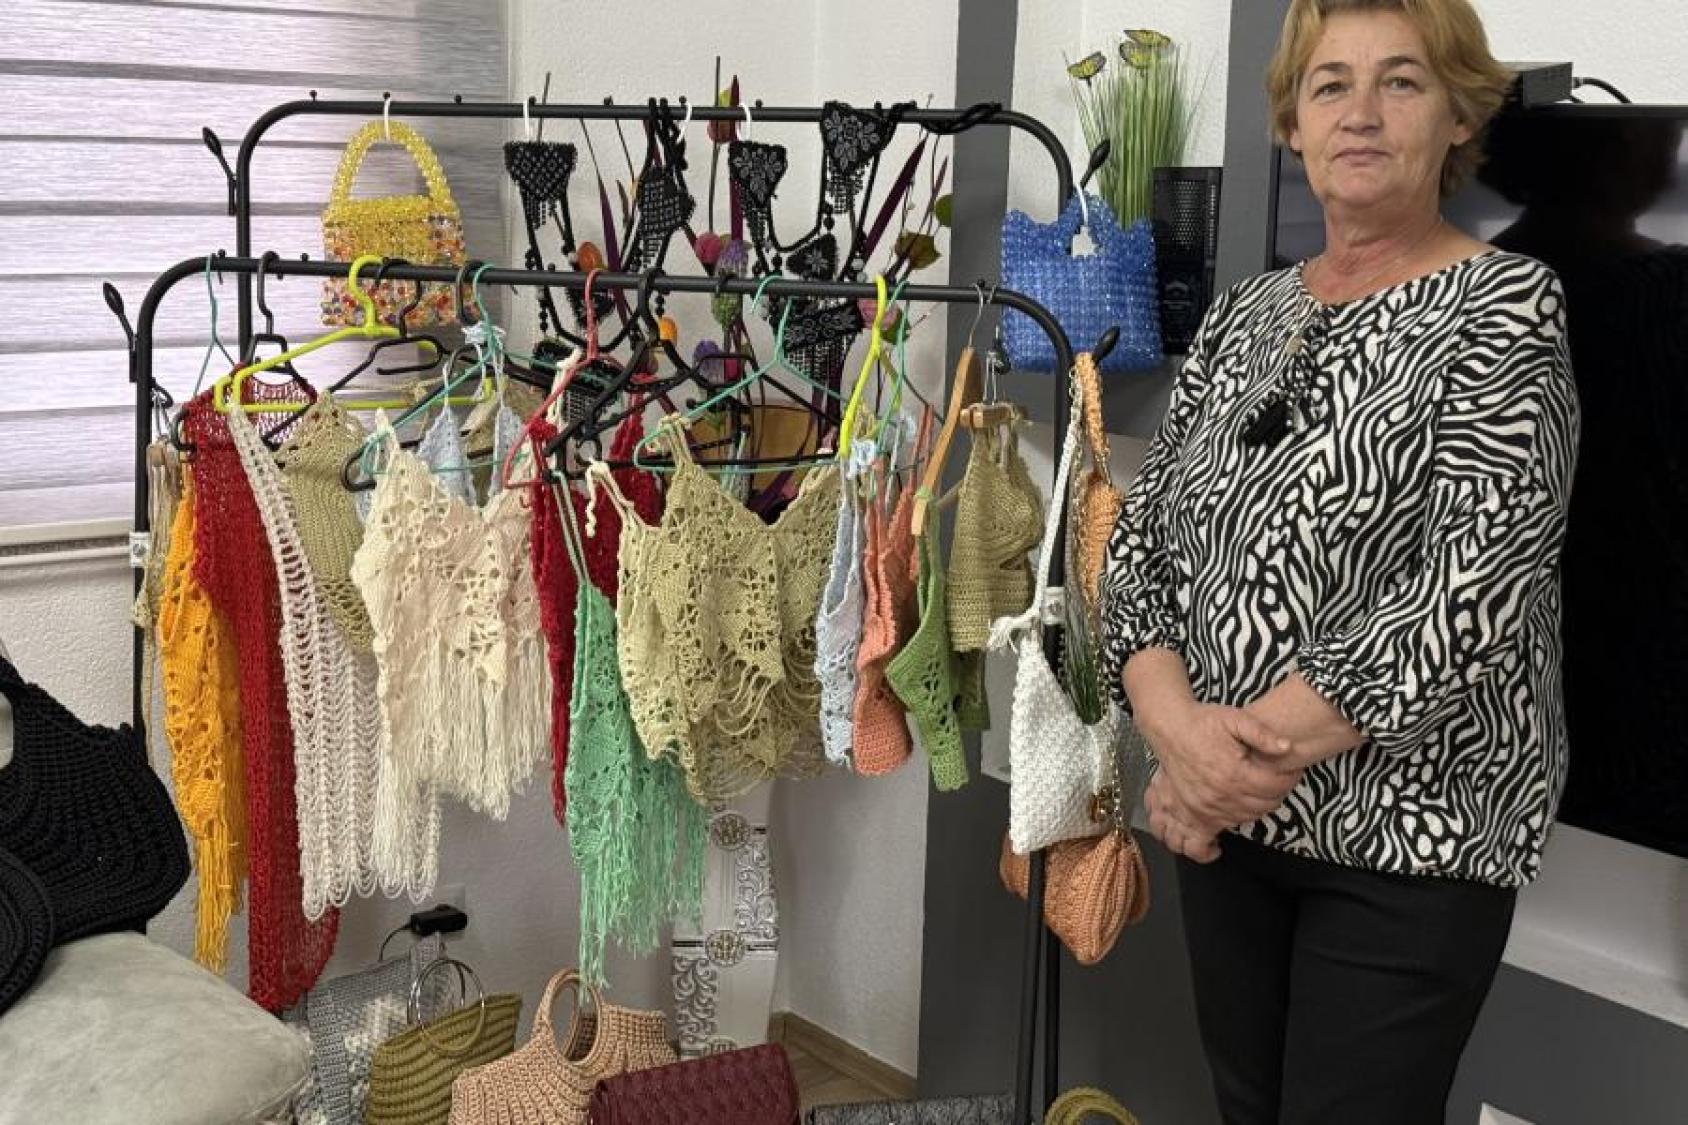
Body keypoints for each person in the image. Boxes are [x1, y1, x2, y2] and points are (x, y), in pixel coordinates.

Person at [1099, 2, 1579, 1122]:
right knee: (1244, 1106)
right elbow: (1138, 546)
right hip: (1224, 826)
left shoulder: (1507, 309)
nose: (1359, 113)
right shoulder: (1238, 320)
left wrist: (1221, 765)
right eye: (1329, 85)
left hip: (1408, 840)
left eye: (1400, 82)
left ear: (1455, 115)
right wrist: (1173, 734)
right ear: (1291, 124)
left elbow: (1472, 586)